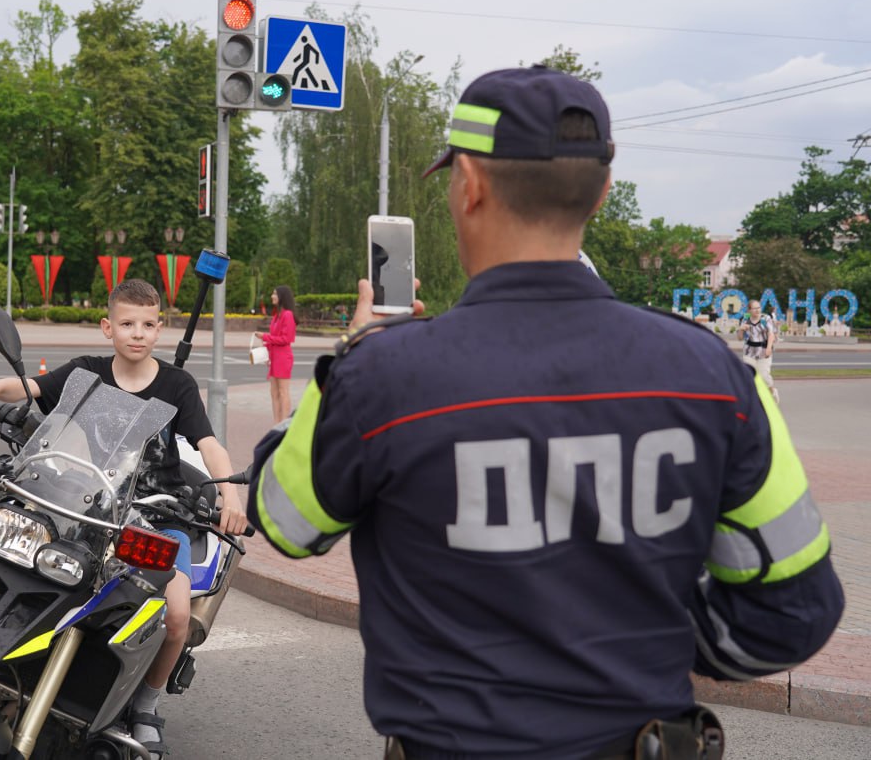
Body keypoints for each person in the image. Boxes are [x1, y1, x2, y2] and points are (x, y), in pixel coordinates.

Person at [247, 66, 843, 759]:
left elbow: (286, 523)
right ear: (603, 191)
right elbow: (795, 613)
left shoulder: (381, 377)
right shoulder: (714, 376)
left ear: (469, 183)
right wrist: (651, 648)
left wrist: (350, 356)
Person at [0, 278, 248, 758]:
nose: (138, 333)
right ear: (107, 327)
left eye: (149, 324)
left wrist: (231, 496)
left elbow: (208, 444)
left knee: (175, 615)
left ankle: (147, 705)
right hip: (90, 508)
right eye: (127, 323)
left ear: (160, 329)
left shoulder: (178, 385)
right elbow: (31, 388)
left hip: (157, 512)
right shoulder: (88, 373)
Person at [261, 285, 297, 423]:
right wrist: (267, 350)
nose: (272, 296)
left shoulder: (287, 315)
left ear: (282, 297)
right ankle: (276, 423)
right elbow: (274, 336)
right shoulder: (277, 316)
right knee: (274, 392)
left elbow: (286, 339)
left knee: (283, 392)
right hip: (275, 357)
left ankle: (284, 423)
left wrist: (265, 337)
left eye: (275, 294)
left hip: (283, 358)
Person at [741, 299, 779, 403]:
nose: (757, 310)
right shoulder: (745, 318)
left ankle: (772, 390)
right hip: (749, 351)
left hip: (763, 350)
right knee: (748, 375)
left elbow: (771, 334)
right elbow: (740, 338)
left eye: (759, 308)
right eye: (754, 308)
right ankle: (753, 400)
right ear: (749, 310)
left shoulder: (765, 318)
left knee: (763, 376)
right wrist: (741, 329)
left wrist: (769, 348)